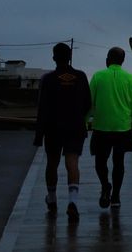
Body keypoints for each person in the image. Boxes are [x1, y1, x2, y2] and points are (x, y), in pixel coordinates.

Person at [34, 43, 91, 220]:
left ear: (54, 58)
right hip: (75, 127)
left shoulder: (48, 79)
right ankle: (72, 201)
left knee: (52, 162)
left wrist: (38, 135)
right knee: (72, 162)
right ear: (70, 57)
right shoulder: (81, 77)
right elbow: (88, 103)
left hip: (53, 128)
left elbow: (42, 108)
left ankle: (51, 198)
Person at [89, 46, 132, 209]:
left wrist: (84, 121)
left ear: (107, 59)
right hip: (123, 128)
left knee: (100, 162)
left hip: (101, 127)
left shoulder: (98, 76)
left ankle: (105, 185)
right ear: (122, 61)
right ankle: (116, 197)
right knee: (119, 162)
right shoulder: (130, 78)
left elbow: (89, 103)